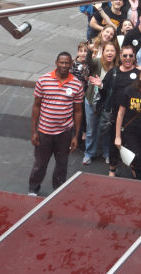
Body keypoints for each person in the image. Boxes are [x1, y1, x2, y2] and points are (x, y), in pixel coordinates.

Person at [28, 52, 84, 196]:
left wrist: (76, 136)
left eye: (67, 63)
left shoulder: (77, 85)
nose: (64, 66)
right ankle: (33, 189)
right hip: (44, 132)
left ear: (71, 64)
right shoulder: (43, 80)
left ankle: (58, 191)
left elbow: (78, 111)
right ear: (56, 63)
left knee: (62, 165)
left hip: (64, 133)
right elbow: (36, 106)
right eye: (61, 62)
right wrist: (34, 131)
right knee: (40, 164)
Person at [99, 45, 141, 178]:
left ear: (134, 57)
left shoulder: (140, 72)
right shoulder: (114, 72)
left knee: (134, 144)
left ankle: (134, 170)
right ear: (121, 57)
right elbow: (105, 92)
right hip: (115, 115)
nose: (128, 58)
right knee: (114, 144)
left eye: (130, 55)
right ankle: (112, 169)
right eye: (125, 55)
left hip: (133, 116)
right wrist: (100, 85)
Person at [83, 41, 118, 164]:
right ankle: (89, 153)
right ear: (103, 52)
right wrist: (90, 50)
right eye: (107, 50)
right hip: (92, 101)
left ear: (116, 53)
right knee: (91, 129)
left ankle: (107, 153)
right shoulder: (98, 62)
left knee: (107, 129)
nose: (109, 53)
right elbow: (88, 62)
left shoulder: (118, 67)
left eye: (112, 51)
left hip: (108, 104)